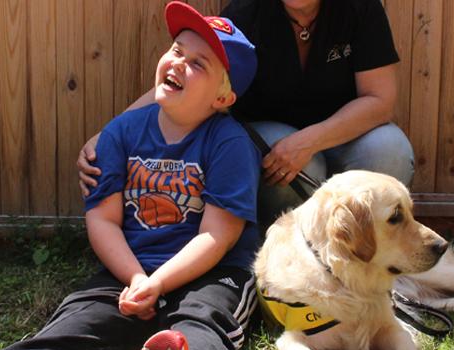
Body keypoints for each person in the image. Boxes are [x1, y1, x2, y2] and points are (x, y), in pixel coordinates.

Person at [0, 3, 260, 350]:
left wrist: (159, 283)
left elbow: (216, 237)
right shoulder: (121, 132)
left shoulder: (230, 144)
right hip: (130, 268)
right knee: (78, 319)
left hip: (211, 272)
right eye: (177, 50)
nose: (179, 63)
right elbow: (102, 218)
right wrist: (136, 279)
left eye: (199, 64)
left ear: (222, 98)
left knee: (204, 318)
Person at [77, 0, 414, 224]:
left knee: (390, 150)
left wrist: (309, 140)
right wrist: (110, 134)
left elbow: (380, 99)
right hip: (269, 140)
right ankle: (288, 251)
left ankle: (367, 250)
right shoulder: (246, 11)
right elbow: (187, 80)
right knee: (289, 157)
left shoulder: (361, 7)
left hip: (342, 136)